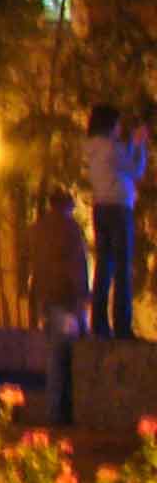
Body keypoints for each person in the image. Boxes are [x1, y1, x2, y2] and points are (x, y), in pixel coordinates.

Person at [84, 103, 149, 339]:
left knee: (104, 266)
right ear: (110, 124)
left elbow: (119, 163)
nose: (120, 128)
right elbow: (136, 169)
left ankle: (99, 323)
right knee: (122, 267)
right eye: (118, 123)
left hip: (100, 207)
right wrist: (140, 145)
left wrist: (130, 144)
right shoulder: (111, 148)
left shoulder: (93, 147)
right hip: (119, 208)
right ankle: (122, 325)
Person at [27, 185, 92, 337]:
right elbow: (77, 261)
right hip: (66, 288)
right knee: (73, 332)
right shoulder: (71, 228)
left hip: (44, 288)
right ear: (66, 205)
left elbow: (33, 259)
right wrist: (82, 290)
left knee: (50, 328)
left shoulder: (39, 228)